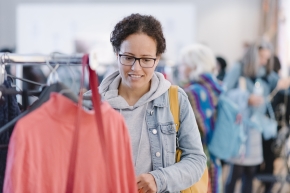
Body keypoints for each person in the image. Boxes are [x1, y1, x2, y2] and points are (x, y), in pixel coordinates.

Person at [98, 13, 207, 193]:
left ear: (157, 60)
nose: (136, 68)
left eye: (146, 60)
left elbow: (196, 160)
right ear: (117, 54)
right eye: (128, 57)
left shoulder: (175, 99)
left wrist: (159, 179)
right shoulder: (92, 105)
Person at [223, 39, 289, 193]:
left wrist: (284, 83)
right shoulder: (238, 68)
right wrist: (246, 98)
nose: (264, 61)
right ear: (253, 55)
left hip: (255, 128)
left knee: (251, 171)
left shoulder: (265, 72)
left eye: (267, 58)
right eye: (262, 57)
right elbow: (224, 93)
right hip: (239, 127)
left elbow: (278, 84)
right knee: (236, 170)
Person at [179, 44, 223, 193]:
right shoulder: (215, 87)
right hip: (214, 156)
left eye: (184, 63)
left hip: (198, 159)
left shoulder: (192, 92)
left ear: (194, 66)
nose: (180, 67)